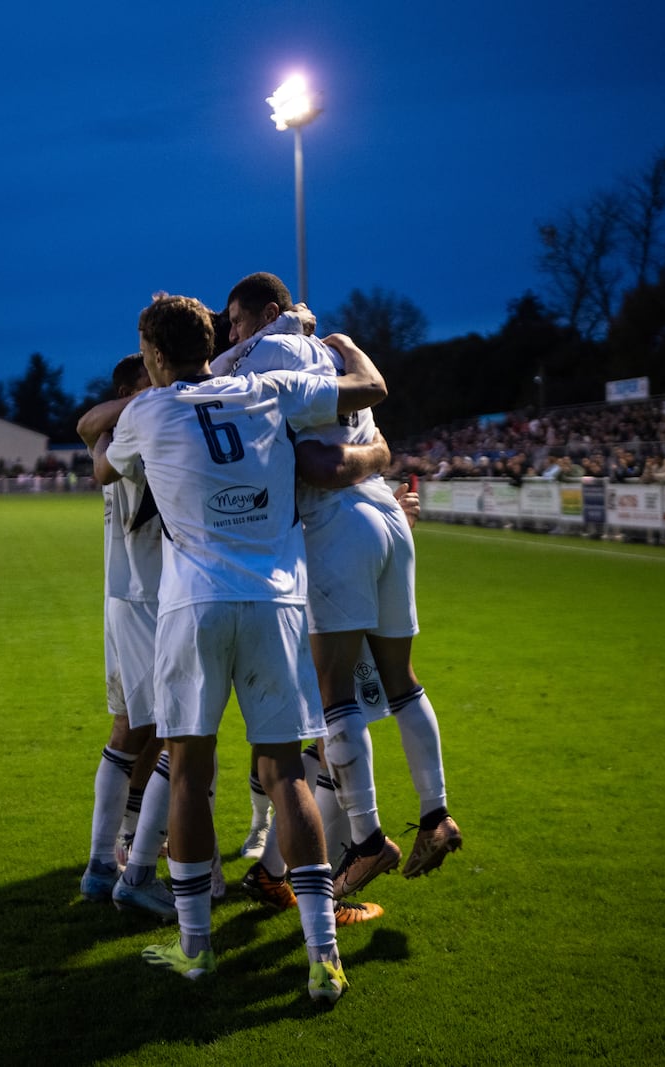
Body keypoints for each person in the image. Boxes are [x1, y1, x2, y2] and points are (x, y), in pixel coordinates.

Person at [92, 292, 388, 1001]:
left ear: (156, 356)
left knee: (189, 770)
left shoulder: (148, 410)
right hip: (277, 602)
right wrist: (342, 344)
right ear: (211, 343)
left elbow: (103, 464)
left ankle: (196, 948)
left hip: (193, 604)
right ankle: (323, 956)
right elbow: (371, 389)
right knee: (286, 772)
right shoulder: (268, 388)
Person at [219, 272, 461, 903]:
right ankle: (436, 815)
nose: (232, 334)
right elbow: (373, 432)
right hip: (386, 518)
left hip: (337, 530)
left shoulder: (267, 355)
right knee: (403, 681)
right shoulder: (330, 348)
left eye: (237, 320)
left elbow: (316, 466)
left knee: (335, 699)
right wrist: (373, 459)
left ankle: (366, 838)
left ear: (265, 315)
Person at [75, 354, 177, 917]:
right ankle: (112, 864)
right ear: (127, 389)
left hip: (129, 598)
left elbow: (88, 426)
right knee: (164, 728)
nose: (161, 387)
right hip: (150, 600)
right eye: (148, 381)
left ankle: (120, 851)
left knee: (148, 731)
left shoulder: (118, 434)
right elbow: (90, 424)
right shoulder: (138, 429)